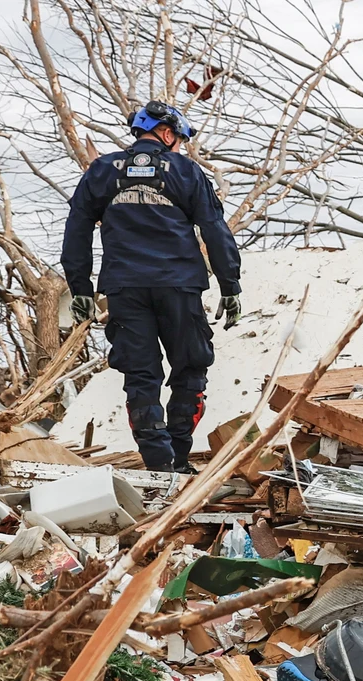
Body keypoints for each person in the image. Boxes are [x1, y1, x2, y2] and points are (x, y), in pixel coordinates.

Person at [61, 101, 241, 473]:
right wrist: (230, 285)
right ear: (167, 133)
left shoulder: (101, 171)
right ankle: (178, 458)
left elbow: (76, 230)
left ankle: (160, 464)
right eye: (180, 140)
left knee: (141, 375)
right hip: (180, 285)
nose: (180, 147)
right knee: (190, 370)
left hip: (125, 288)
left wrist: (80, 288)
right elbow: (214, 230)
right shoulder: (186, 171)